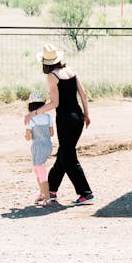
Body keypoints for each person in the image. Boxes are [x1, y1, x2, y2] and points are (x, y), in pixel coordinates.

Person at [24, 44, 93, 205]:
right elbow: (83, 95)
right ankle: (51, 191)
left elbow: (55, 103)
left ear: (45, 63)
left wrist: (34, 112)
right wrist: (87, 115)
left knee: (68, 156)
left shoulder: (52, 76)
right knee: (63, 153)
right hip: (78, 118)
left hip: (65, 120)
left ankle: (86, 193)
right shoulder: (71, 71)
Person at [24, 92, 55, 206]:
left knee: (40, 171)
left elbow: (28, 137)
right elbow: (51, 133)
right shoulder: (47, 117)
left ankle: (47, 198)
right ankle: (42, 193)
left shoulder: (30, 120)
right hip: (48, 145)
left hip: (38, 147)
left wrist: (29, 135)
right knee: (37, 169)